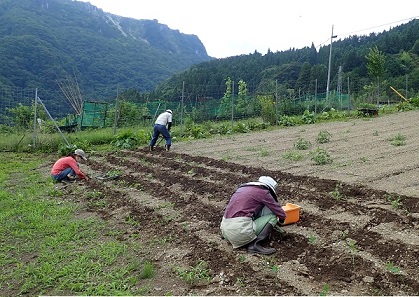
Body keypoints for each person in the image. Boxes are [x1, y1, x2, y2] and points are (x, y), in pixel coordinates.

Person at [220, 176, 287, 255]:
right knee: (272, 216)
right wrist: (281, 221)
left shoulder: (241, 189)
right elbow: (279, 212)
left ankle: (235, 237)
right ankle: (255, 245)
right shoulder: (262, 192)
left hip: (225, 230)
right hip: (239, 231)